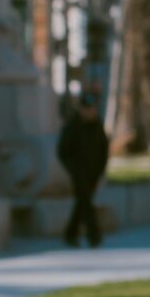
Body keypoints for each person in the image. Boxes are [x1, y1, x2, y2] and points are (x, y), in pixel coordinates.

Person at [55, 94, 109, 248]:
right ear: (81, 109)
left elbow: (103, 148)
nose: (90, 112)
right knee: (85, 202)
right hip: (78, 173)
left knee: (82, 203)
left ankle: (70, 234)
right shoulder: (72, 126)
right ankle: (94, 235)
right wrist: (73, 169)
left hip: (94, 172)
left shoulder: (97, 126)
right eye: (87, 109)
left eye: (92, 109)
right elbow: (63, 151)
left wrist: (100, 168)